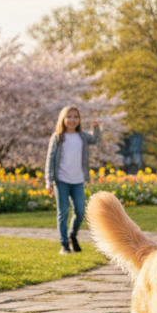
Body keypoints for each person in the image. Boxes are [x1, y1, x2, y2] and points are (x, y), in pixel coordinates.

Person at [45, 106, 102, 256]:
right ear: (63, 119)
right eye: (69, 117)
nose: (72, 120)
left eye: (75, 117)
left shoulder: (82, 136)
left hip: (78, 180)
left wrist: (96, 128)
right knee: (63, 212)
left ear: (79, 119)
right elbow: (50, 160)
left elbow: (96, 140)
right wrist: (49, 181)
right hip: (61, 180)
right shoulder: (58, 137)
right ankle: (64, 244)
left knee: (80, 211)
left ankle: (72, 234)